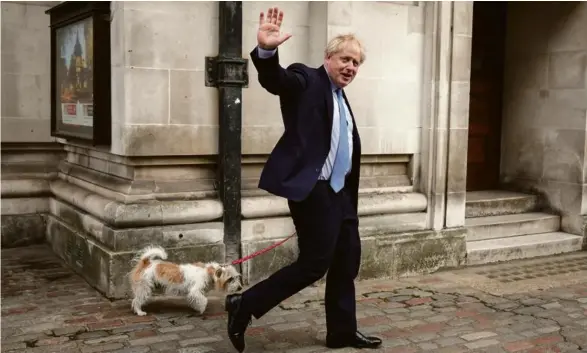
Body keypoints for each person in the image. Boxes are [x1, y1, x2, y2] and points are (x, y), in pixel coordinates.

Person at [225, 6, 382, 352]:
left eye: (356, 63)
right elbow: (276, 79)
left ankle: (341, 331)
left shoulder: (342, 99)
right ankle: (244, 305)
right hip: (315, 191)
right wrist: (267, 51)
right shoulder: (307, 79)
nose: (350, 67)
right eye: (345, 59)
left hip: (341, 195)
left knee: (346, 260)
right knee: (314, 263)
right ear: (328, 57)